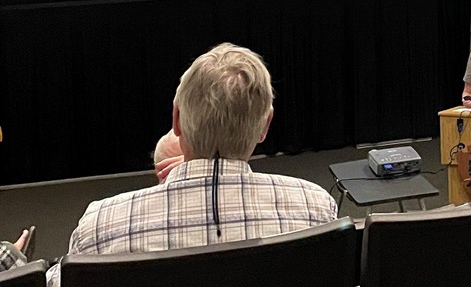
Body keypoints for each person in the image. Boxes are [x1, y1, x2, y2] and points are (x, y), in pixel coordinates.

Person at [0, 43, 337, 284]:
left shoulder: (101, 225)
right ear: (265, 126)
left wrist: (10, 262)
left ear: (176, 119)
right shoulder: (316, 209)